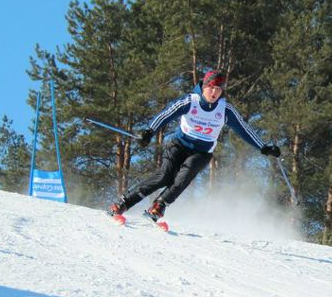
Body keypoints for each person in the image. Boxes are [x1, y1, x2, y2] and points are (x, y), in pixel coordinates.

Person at [108, 70, 281, 222]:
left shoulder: (225, 109)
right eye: (211, 87)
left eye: (218, 89)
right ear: (204, 86)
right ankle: (123, 203)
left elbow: (244, 129)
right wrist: (149, 131)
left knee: (183, 178)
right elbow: (167, 114)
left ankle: (159, 206)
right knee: (164, 176)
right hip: (180, 145)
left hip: (202, 152)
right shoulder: (191, 101)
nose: (214, 92)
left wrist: (263, 147)